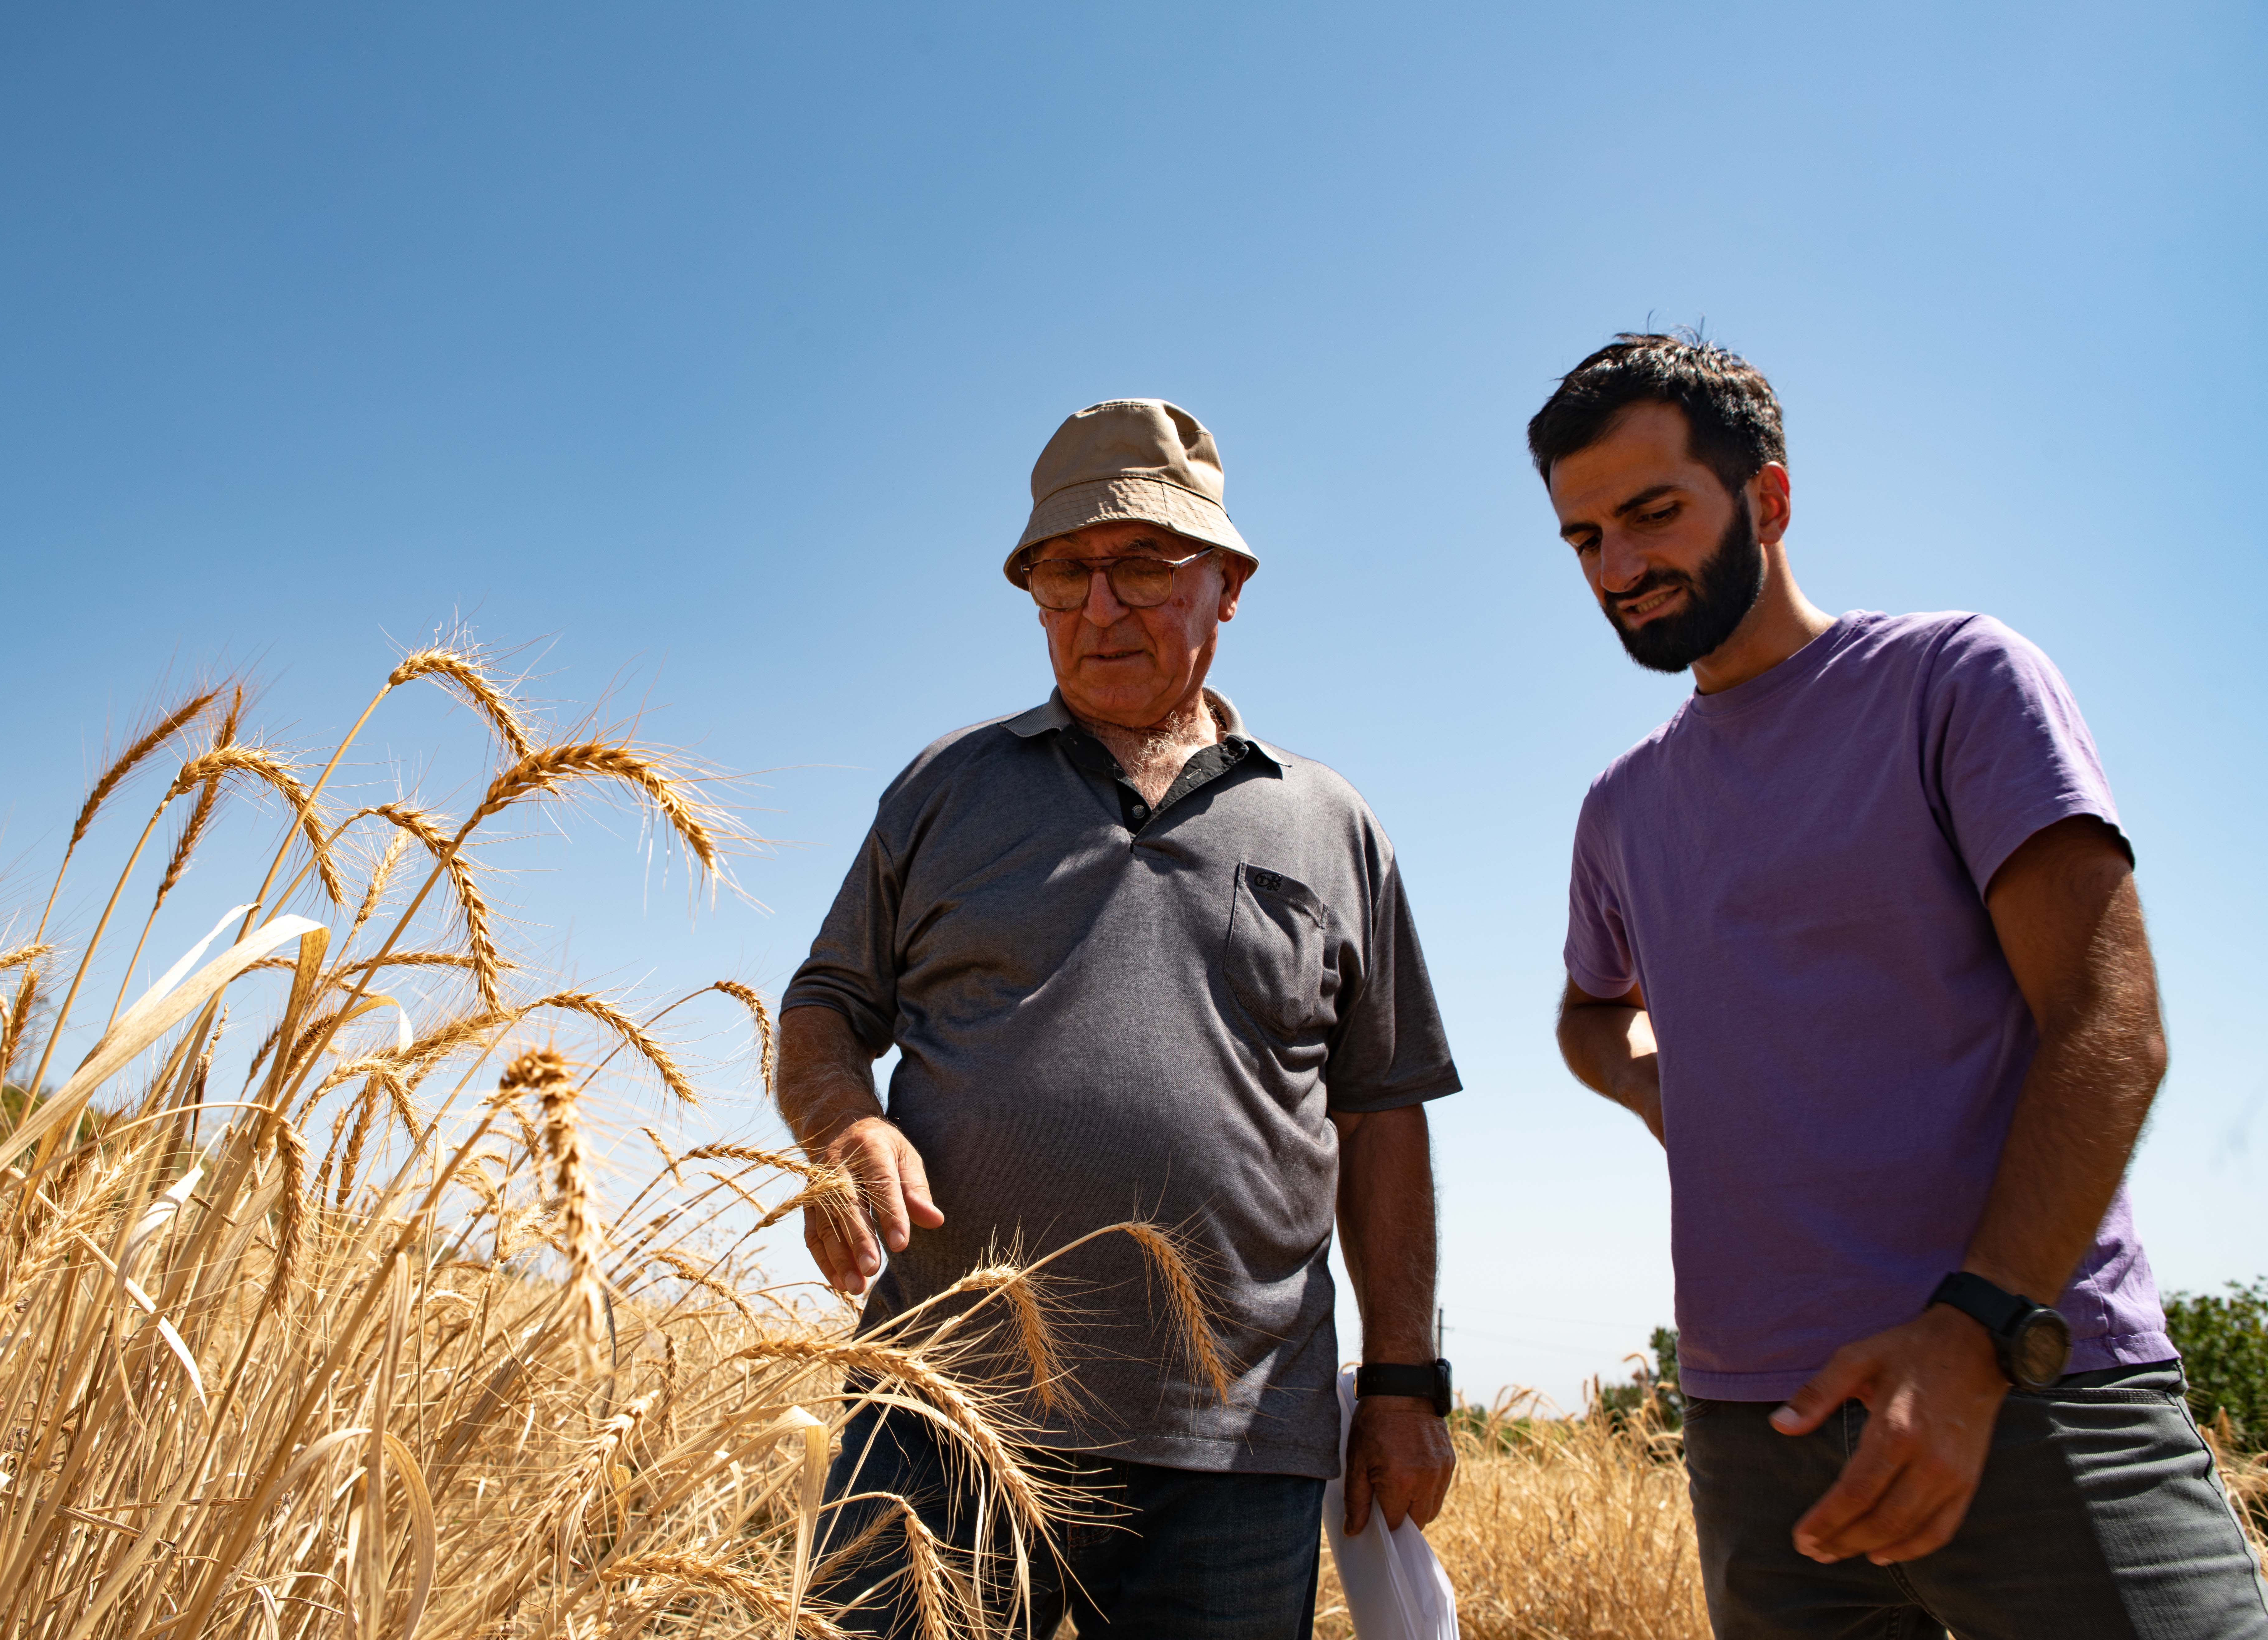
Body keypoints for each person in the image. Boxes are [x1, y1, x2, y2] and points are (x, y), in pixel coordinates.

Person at [1534, 332, 2268, 1638]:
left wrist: (1972, 1334)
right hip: (1751, 1419)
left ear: (1765, 499)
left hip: (2027, 1389)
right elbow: (1586, 1014)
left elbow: (2111, 1027)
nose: (1618, 569)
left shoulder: (1955, 682)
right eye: (1582, 538)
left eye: (1651, 514)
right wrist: (1656, 1090)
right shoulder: (1620, 807)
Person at [778, 397, 1463, 1639]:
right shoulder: (945, 789)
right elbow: (826, 1002)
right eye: (1059, 573)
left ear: (1228, 584)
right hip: (943, 1414)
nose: (1097, 608)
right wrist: (845, 1131)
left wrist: (1407, 1382)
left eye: (1142, 566)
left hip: (1237, 1447)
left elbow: (1382, 1112)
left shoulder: (1329, 822)